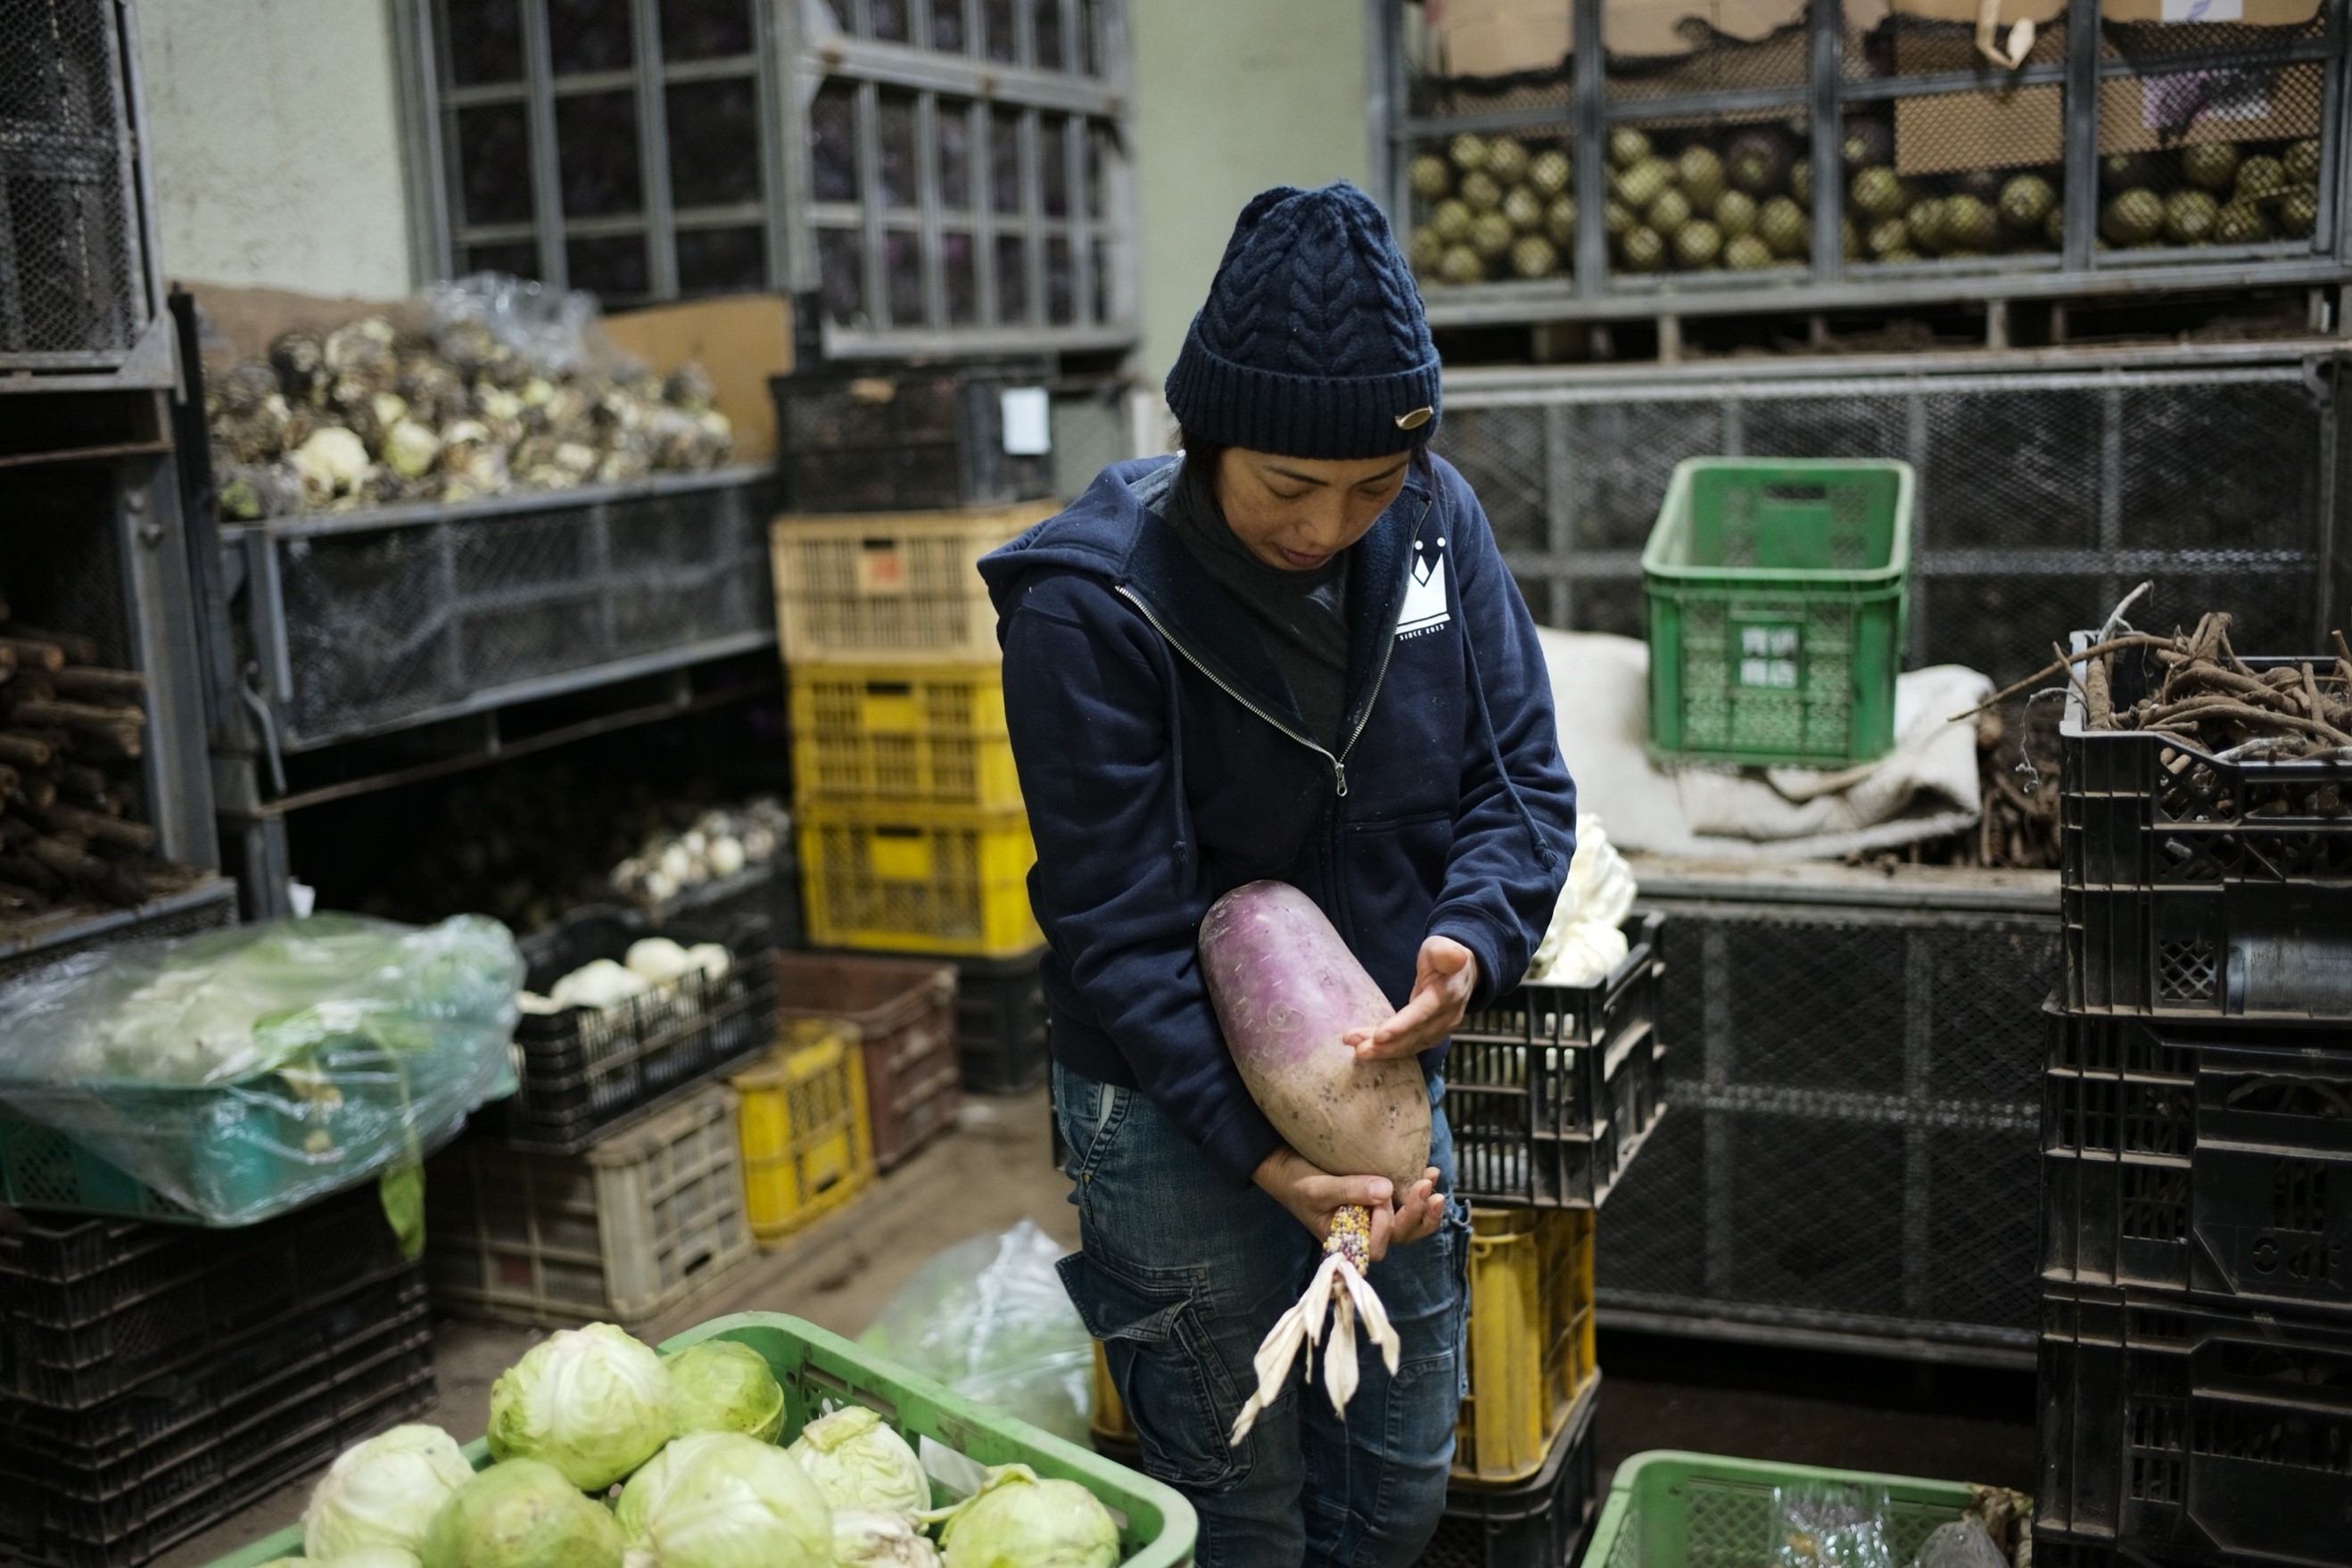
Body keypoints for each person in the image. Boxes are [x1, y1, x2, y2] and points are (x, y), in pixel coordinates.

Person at [976, 183, 1577, 1568]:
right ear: (1202, 436)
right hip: (1169, 1101)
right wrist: (1262, 1157)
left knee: (1396, 1479)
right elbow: (1118, 930)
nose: (1329, 524)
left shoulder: (1434, 520)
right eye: (1287, 486)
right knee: (1236, 1499)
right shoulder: (1091, 602)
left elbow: (1519, 784)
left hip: (1364, 1071)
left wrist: (1471, 942)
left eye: (1368, 486)